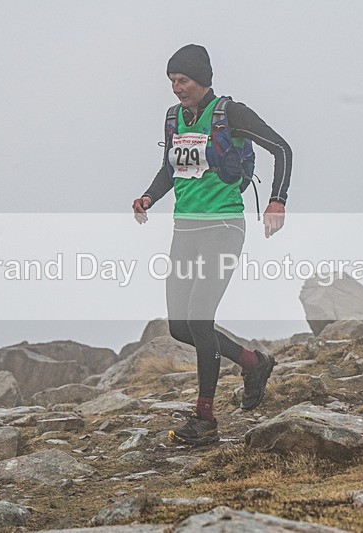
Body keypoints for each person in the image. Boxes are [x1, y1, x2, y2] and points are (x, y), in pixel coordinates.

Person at [132, 44, 293, 446]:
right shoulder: (174, 118)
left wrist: (278, 200)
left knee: (200, 320)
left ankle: (205, 419)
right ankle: (254, 363)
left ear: (201, 78)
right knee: (181, 327)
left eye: (182, 80)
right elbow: (169, 169)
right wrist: (149, 197)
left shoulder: (229, 113)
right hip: (184, 230)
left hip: (223, 226)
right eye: (171, 81)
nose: (176, 88)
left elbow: (283, 149)